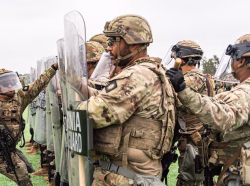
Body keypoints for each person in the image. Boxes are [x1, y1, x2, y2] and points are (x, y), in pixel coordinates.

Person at [78, 14, 175, 185]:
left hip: (126, 175)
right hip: (131, 173)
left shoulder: (136, 75)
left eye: (113, 42)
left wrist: (74, 106)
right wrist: (82, 88)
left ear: (133, 44)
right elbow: (112, 100)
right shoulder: (151, 71)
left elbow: (96, 112)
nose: (109, 48)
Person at [166, 34, 250, 185]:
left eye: (233, 59)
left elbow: (222, 117)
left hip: (238, 170)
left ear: (241, 60)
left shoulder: (244, 93)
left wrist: (183, 90)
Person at [165, 40, 215, 186]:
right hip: (196, 137)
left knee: (189, 181)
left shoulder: (191, 79)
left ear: (181, 59)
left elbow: (175, 103)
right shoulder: (202, 77)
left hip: (193, 139)